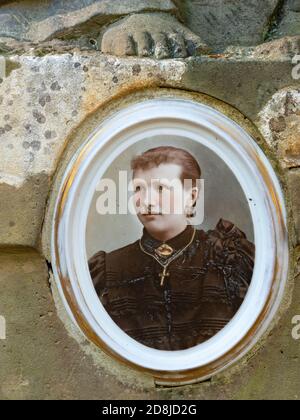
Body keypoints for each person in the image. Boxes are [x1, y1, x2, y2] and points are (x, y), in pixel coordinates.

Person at [89, 146, 255, 351]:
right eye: (139, 188)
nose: (146, 201)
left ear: (191, 196)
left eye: (160, 188)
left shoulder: (228, 257)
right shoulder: (109, 270)